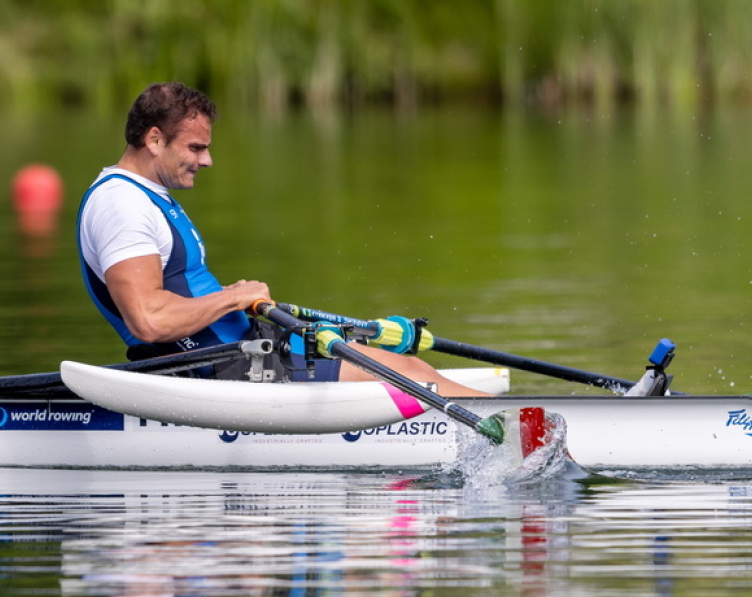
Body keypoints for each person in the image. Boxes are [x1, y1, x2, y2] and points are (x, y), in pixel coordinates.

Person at [77, 81, 487, 396]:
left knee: (406, 361)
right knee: (410, 375)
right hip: (219, 369)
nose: (207, 160)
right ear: (153, 140)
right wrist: (234, 296)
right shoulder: (121, 206)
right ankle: (521, 429)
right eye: (196, 147)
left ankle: (515, 422)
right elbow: (148, 320)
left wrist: (237, 300)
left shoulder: (144, 196)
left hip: (247, 350)